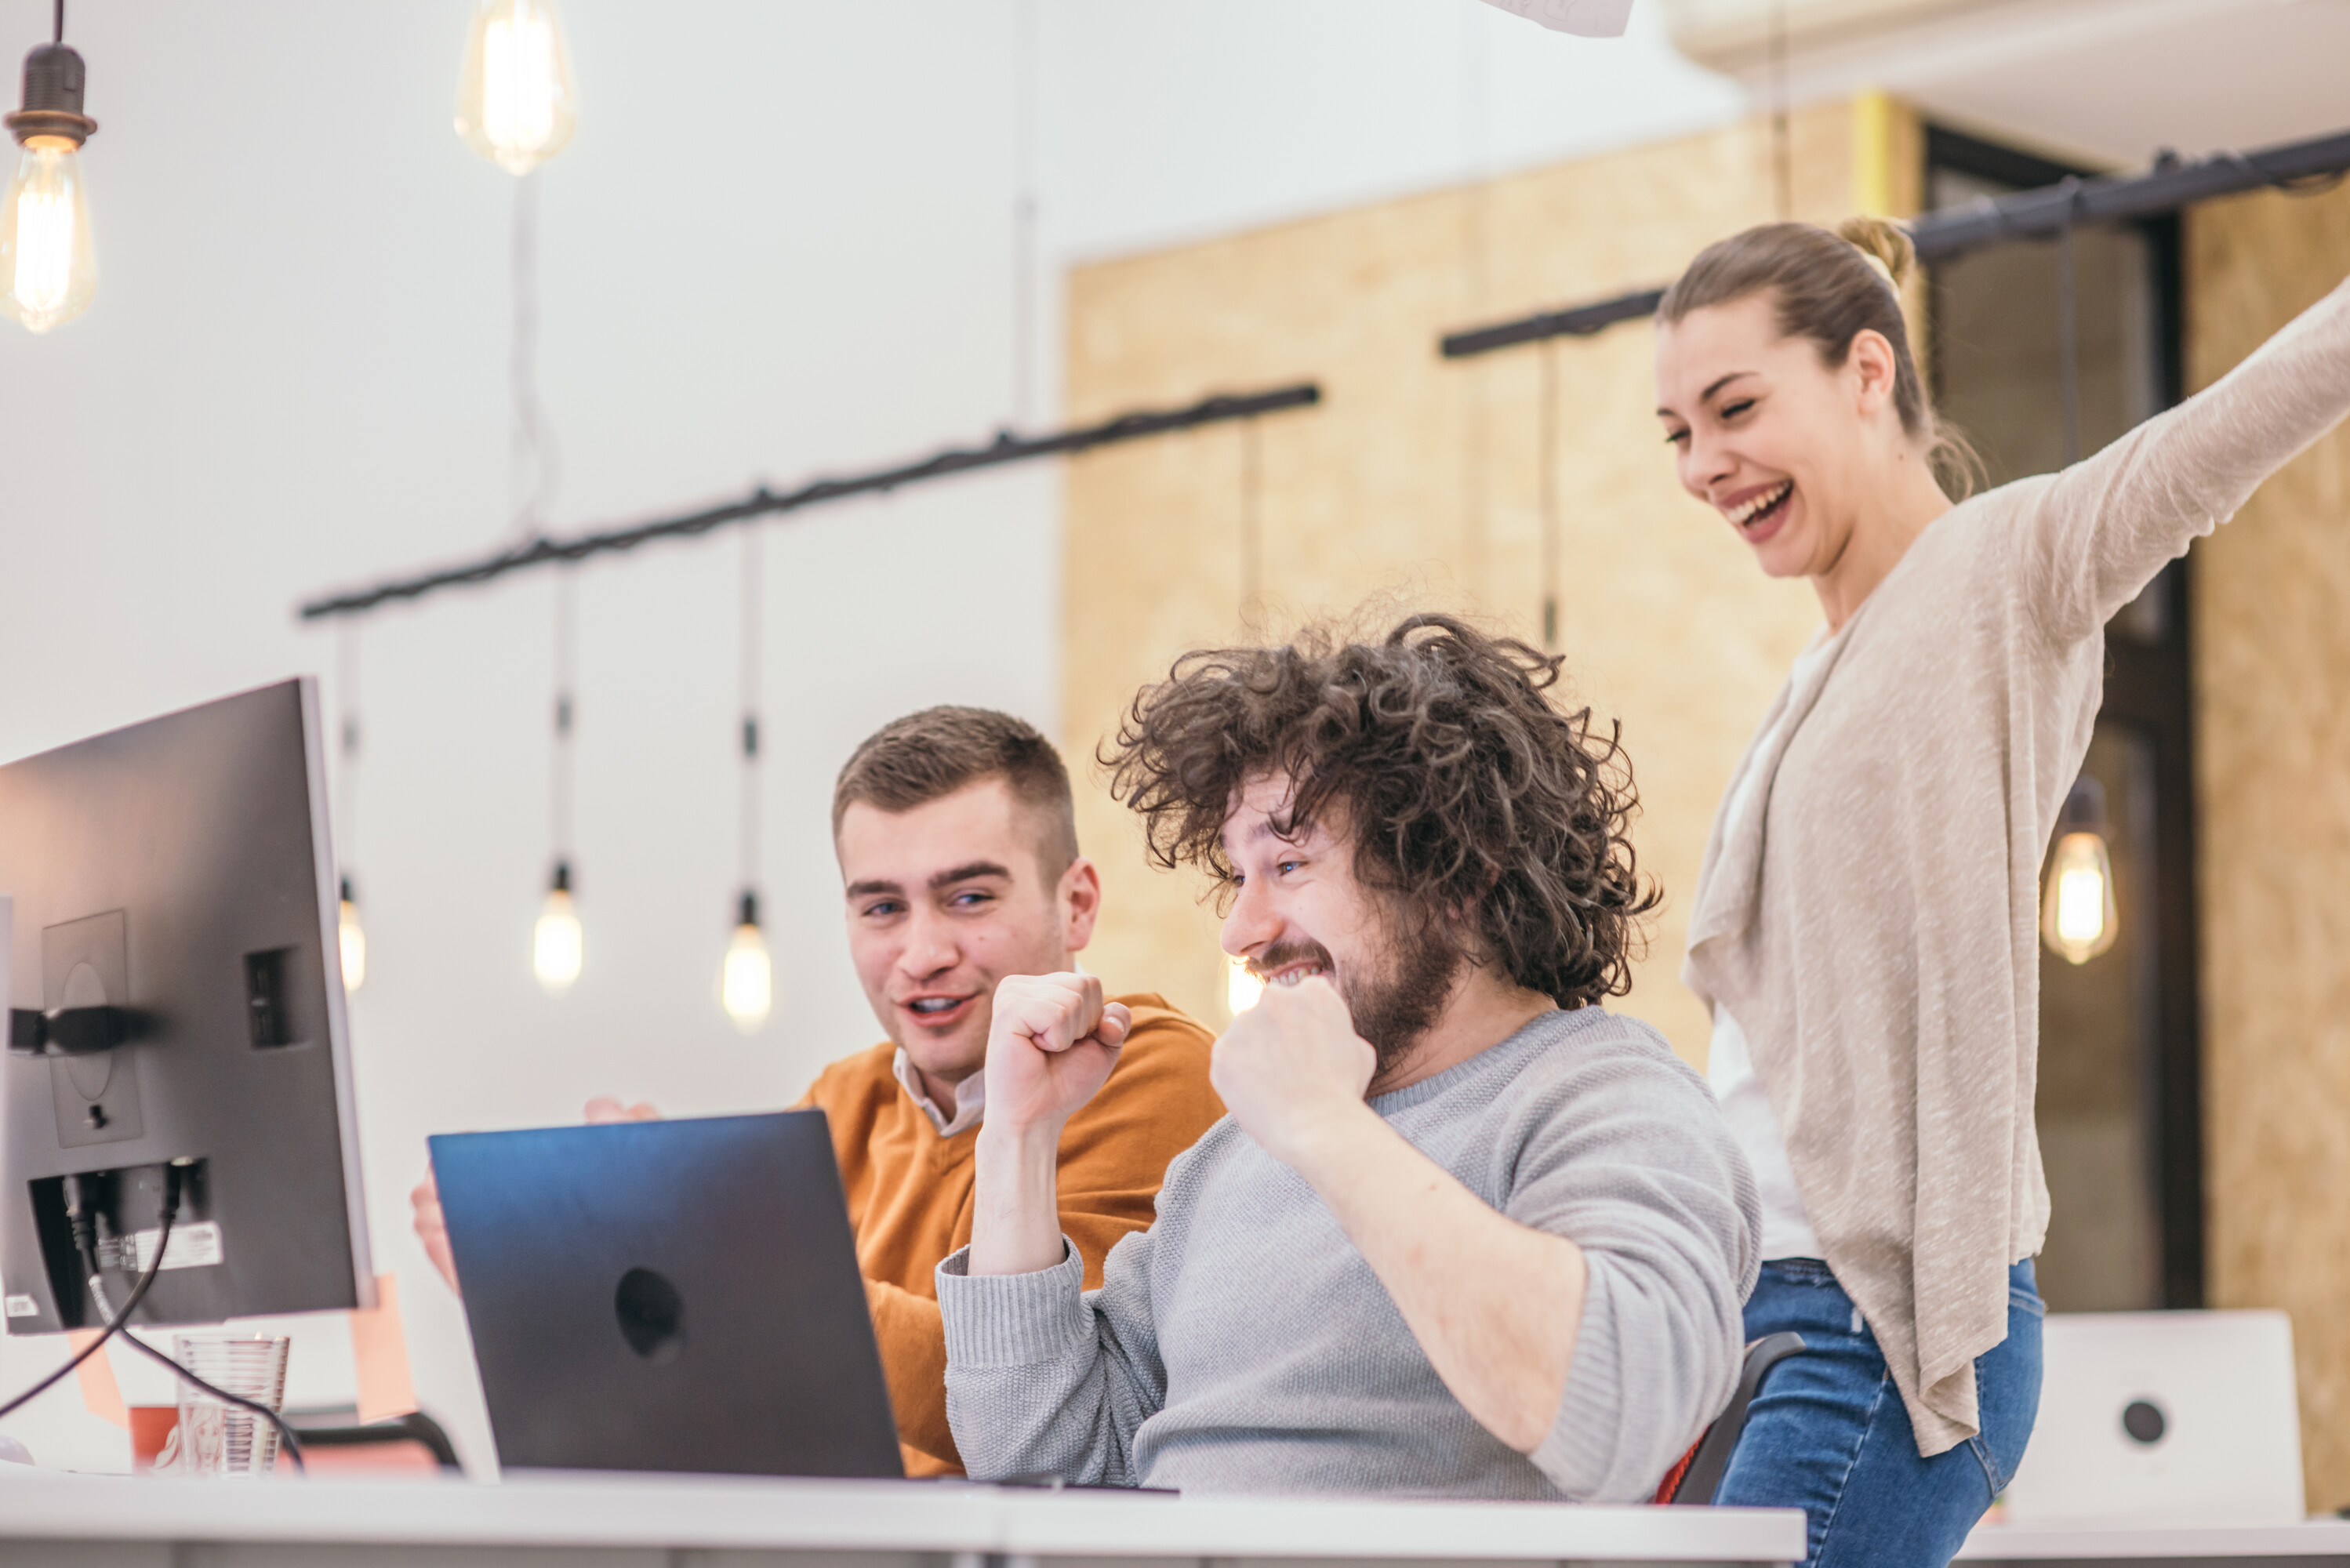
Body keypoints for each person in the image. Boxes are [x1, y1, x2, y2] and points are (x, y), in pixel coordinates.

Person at [1651, 220, 2350, 1566]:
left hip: (1876, 1336)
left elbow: (2240, 422)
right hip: (1754, 1311)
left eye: (1735, 408)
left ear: (1868, 372)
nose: (1702, 465)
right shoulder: (1814, 679)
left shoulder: (2007, 566)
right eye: (1676, 430)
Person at [932, 614, 1760, 1499]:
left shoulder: (1604, 1096)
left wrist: (1326, 1127)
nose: (1240, 929)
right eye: (1237, 875)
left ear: (1456, 870)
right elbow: (1044, 1466)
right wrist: (1018, 1136)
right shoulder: (1224, 1167)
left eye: (1287, 864)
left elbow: (1617, 1411)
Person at [412, 706, 1225, 1476]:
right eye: (881, 906)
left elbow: (1043, 1405)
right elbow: (740, 1405)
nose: (922, 951)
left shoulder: (1151, 1069)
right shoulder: (843, 1098)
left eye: (970, 896)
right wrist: (545, 1295)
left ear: (1076, 901)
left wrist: (712, 1256)